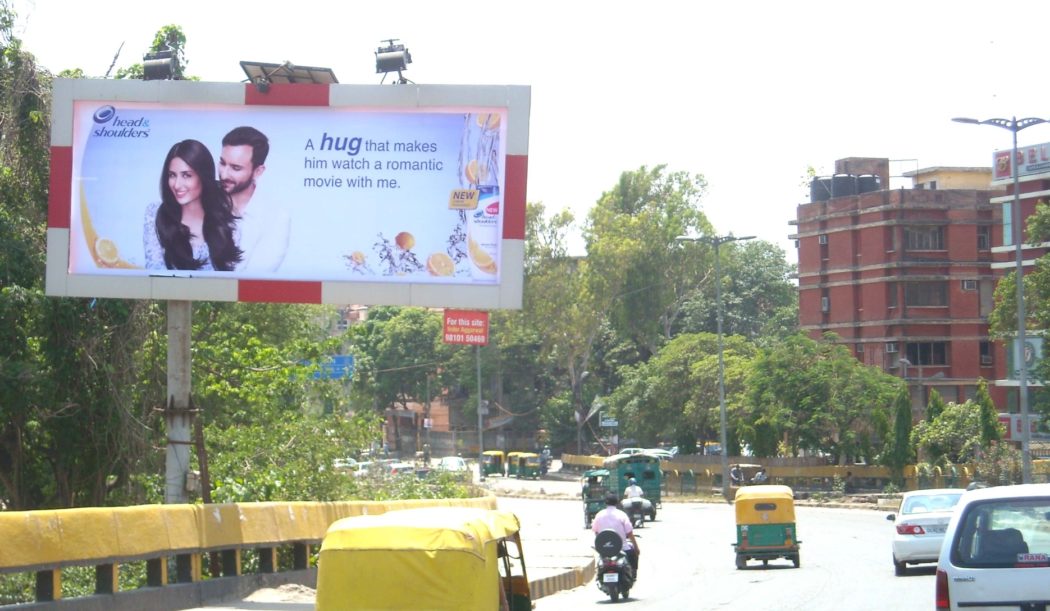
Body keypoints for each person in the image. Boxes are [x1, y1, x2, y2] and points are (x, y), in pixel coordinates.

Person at [144, 139, 242, 271]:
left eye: (186, 175)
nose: (177, 185)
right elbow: (154, 271)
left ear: (203, 177)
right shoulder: (154, 213)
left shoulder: (227, 224)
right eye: (172, 175)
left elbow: (228, 276)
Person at [218, 126, 291, 272]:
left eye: (236, 168)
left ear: (258, 171)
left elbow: (256, 277)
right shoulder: (203, 200)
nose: (224, 174)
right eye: (222, 163)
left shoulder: (275, 218)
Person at [592, 492, 640, 576]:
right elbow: (629, 533)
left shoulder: (599, 515)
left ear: (605, 503)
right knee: (633, 553)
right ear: (617, 502)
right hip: (622, 548)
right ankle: (633, 574)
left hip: (604, 549)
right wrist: (636, 548)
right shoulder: (622, 515)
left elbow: (595, 531)